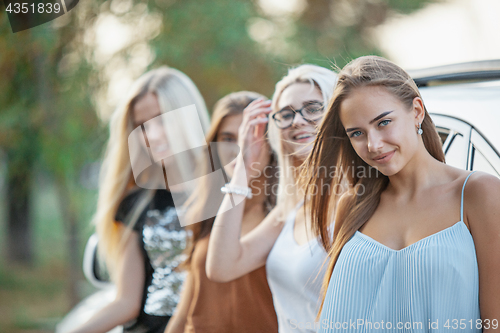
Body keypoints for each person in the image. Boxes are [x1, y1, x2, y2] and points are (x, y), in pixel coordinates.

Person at [304, 55, 500, 332]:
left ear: (417, 111)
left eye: (383, 122)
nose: (373, 144)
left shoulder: (478, 194)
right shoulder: (352, 207)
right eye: (357, 133)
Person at [68, 66, 210, 333]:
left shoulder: (228, 191)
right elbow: (126, 302)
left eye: (163, 119)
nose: (153, 135)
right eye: (142, 126)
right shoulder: (137, 204)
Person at [206, 65, 338, 333]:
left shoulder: (370, 201)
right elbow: (221, 267)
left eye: (313, 108)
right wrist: (242, 170)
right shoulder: (290, 208)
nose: (298, 121)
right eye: (286, 114)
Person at [164, 91, 279, 333]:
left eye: (251, 135)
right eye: (228, 138)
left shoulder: (285, 215)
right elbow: (187, 308)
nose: (241, 148)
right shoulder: (208, 210)